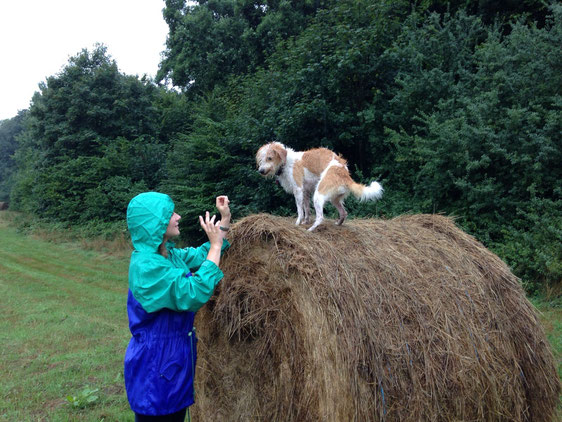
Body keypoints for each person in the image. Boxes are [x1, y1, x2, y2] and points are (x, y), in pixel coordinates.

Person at [124, 192, 231, 421]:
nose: (178, 217)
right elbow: (193, 291)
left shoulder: (167, 254)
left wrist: (224, 221)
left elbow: (202, 255)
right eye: (171, 213)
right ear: (156, 223)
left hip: (171, 364)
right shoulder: (147, 268)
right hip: (155, 371)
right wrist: (214, 245)